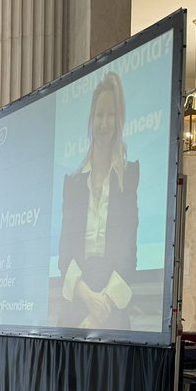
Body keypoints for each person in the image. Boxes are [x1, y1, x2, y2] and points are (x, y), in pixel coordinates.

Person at [58, 71, 139, 329]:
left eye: (110, 115)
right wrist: (87, 298)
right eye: (99, 115)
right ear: (91, 120)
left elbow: (129, 254)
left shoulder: (128, 177)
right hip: (77, 298)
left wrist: (99, 310)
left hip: (111, 303)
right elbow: (64, 255)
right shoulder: (73, 182)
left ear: (119, 120)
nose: (104, 123)